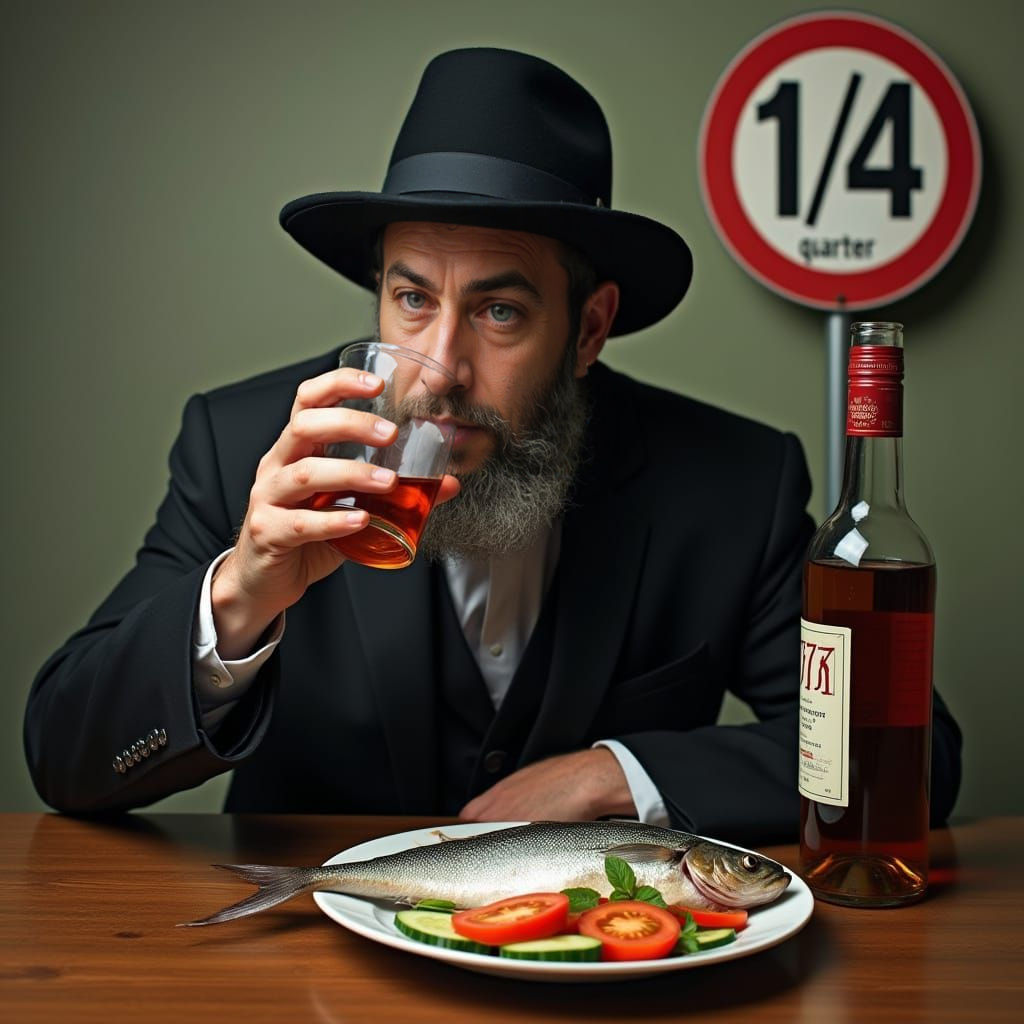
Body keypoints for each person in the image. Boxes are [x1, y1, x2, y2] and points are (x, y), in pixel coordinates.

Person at [24, 48, 961, 843]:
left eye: (500, 311)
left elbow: (914, 750)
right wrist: (240, 594)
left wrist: (615, 776)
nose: (438, 369)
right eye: (413, 297)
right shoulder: (245, 447)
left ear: (589, 330)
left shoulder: (731, 484)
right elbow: (63, 758)